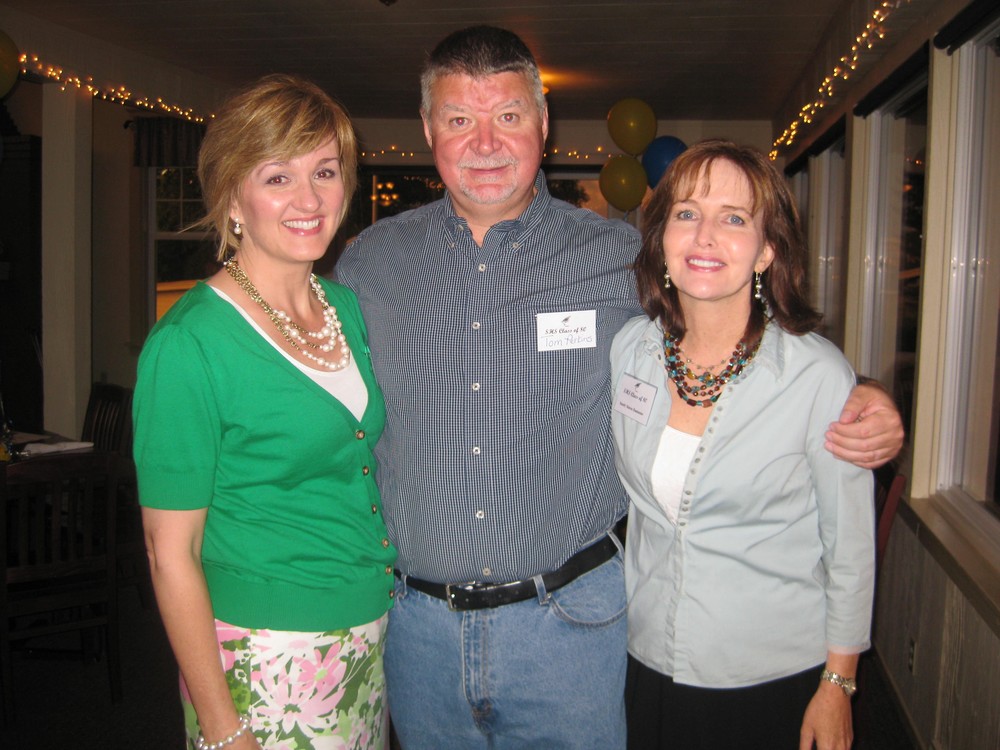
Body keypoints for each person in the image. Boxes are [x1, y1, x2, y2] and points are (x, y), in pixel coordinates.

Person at [336, 25, 901, 749]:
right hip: (420, 635)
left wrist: (865, 392)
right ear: (427, 129)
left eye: (508, 115)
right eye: (458, 120)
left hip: (570, 632)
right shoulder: (370, 263)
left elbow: (729, 332)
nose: (485, 143)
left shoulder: (618, 257)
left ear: (543, 123)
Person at [133, 74, 395, 750]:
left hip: (366, 634)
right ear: (232, 198)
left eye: (325, 172)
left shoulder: (344, 308)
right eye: (278, 177)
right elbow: (170, 554)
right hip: (265, 655)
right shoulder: (190, 343)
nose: (310, 200)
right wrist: (223, 727)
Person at [611, 139, 874, 750]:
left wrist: (839, 683)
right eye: (687, 213)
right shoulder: (630, 352)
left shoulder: (815, 375)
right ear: (662, 238)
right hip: (646, 657)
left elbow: (850, 548)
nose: (705, 236)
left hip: (771, 676)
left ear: (767, 250)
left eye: (734, 218)